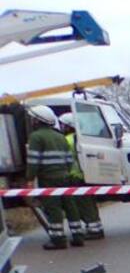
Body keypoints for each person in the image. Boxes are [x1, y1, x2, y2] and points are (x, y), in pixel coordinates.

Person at [24, 105, 84, 249]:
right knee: (70, 206)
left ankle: (58, 240)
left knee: (53, 208)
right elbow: (70, 160)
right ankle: (78, 236)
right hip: (65, 176)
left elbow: (33, 161)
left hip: (48, 178)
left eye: (32, 119)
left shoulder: (36, 137)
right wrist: (65, 172)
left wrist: (29, 179)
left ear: (37, 121)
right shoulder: (60, 137)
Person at [57, 112, 105, 239]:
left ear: (68, 126)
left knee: (83, 205)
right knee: (89, 203)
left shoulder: (66, 140)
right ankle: (96, 227)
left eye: (63, 125)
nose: (61, 127)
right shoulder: (81, 138)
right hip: (86, 176)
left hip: (75, 177)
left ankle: (94, 231)